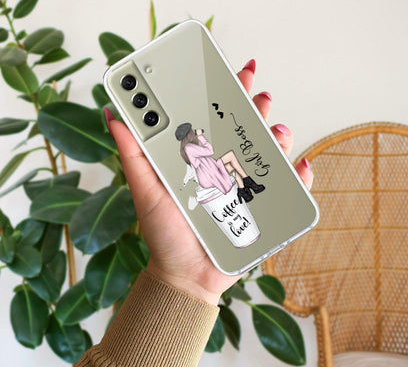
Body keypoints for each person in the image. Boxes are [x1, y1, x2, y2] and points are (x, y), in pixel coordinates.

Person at [76, 59, 313, 367]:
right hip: (211, 180)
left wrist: (185, 282)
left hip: (214, 178)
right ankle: (247, 183)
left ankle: (248, 184)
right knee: (232, 158)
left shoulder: (191, 147)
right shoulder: (190, 148)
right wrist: (185, 282)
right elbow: (206, 153)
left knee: (233, 157)